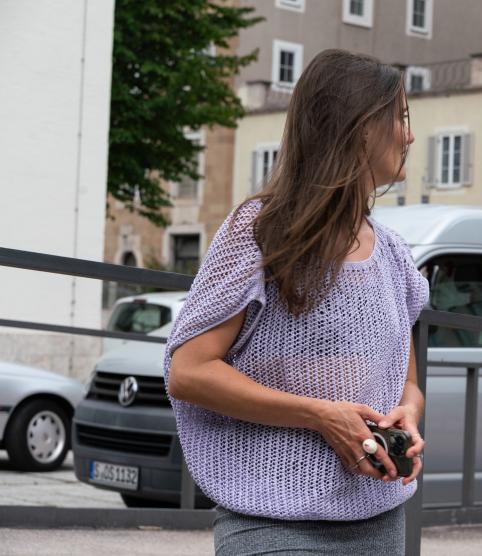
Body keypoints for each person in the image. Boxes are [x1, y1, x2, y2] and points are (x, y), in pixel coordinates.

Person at [164, 49, 428, 555]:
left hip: (379, 521)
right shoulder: (259, 232)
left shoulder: (394, 255)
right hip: (272, 525)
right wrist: (319, 415)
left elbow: (406, 382)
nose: (409, 135)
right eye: (401, 118)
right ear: (360, 127)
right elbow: (189, 371)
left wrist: (407, 417)